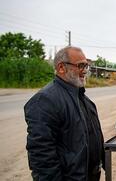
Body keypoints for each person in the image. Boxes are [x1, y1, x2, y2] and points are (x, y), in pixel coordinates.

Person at [24, 46, 104, 181]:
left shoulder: (83, 98)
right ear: (61, 68)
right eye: (81, 66)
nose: (85, 71)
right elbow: (41, 155)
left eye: (86, 66)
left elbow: (92, 136)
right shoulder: (45, 100)